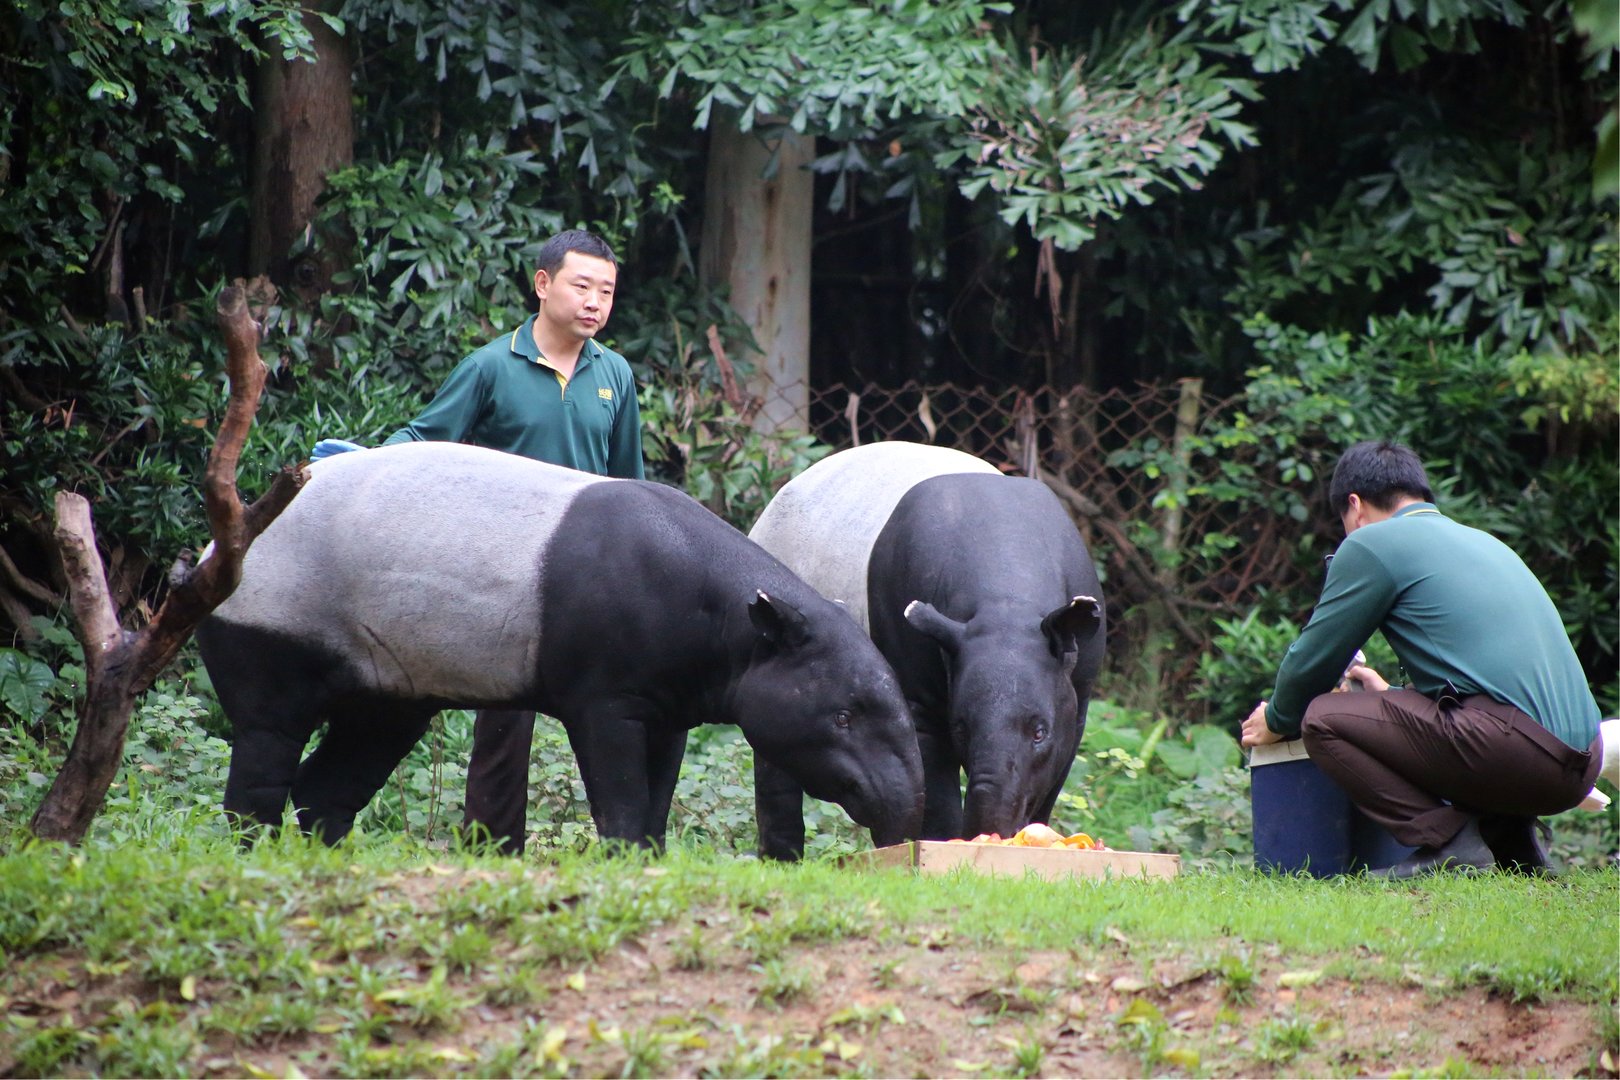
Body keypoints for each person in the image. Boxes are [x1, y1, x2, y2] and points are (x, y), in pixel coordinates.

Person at [313, 229, 645, 856]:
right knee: (505, 716)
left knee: (615, 711)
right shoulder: (492, 365)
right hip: (505, 567)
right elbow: (427, 436)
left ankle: (629, 856)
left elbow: (631, 482)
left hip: (591, 574)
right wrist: (354, 471)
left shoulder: (616, 375)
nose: (595, 302)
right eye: (582, 286)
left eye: (606, 291)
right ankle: (493, 856)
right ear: (543, 285)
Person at [1239, 440, 1603, 878]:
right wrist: (1392, 696)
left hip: (1516, 753)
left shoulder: (1373, 541)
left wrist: (1277, 719)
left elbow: (1313, 660)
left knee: (1322, 717)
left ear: (1354, 505)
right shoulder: (1484, 543)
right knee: (1459, 724)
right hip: (1582, 761)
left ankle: (1449, 843)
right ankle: (1512, 848)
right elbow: (1487, 682)